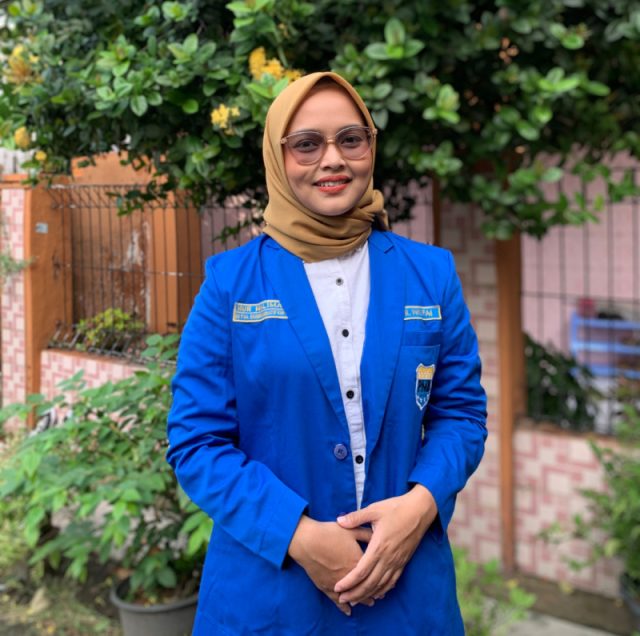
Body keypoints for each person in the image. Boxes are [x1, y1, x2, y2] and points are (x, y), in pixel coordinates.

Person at [167, 71, 487, 635]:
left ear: (371, 147)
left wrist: (421, 506)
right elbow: (196, 442)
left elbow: (460, 415)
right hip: (271, 594)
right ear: (278, 157)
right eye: (307, 144)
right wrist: (297, 534)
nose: (333, 159)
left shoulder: (430, 274)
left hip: (405, 588)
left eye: (351, 139)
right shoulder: (230, 285)